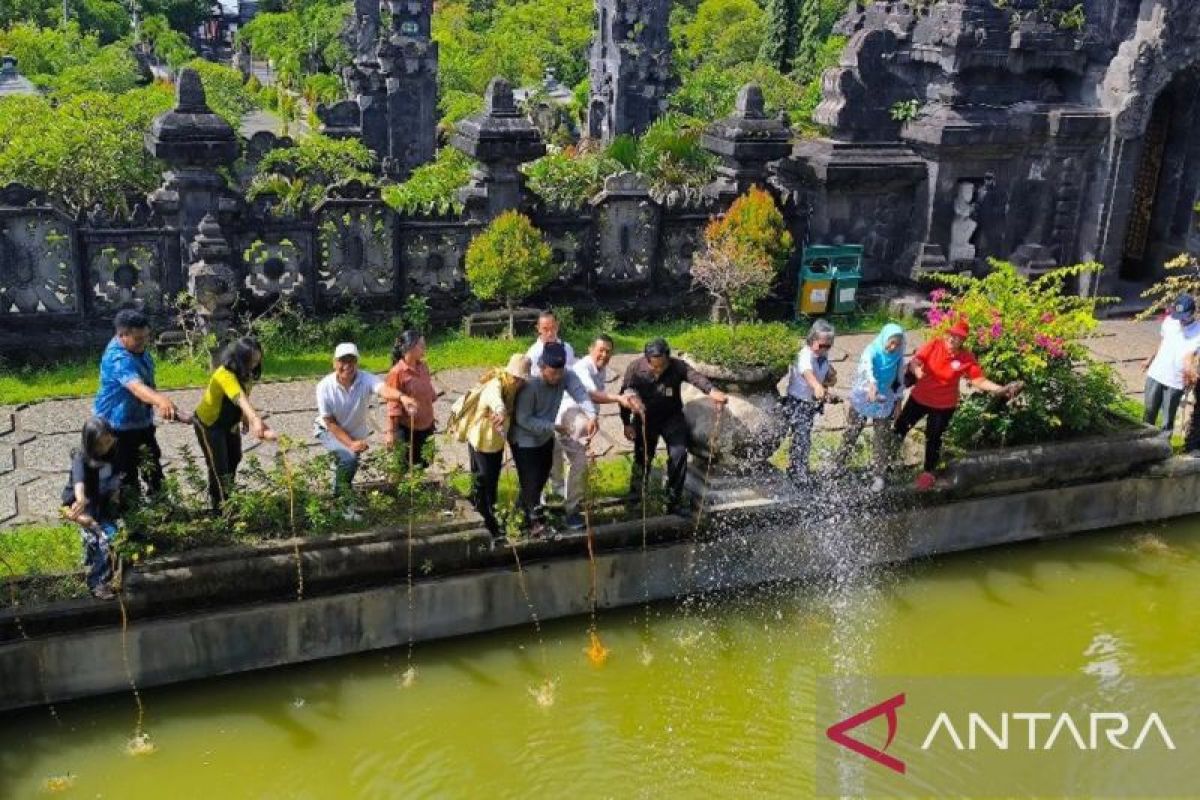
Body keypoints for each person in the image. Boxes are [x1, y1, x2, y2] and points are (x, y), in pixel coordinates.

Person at [895, 319, 1023, 490]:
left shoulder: (966, 357)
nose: (953, 339)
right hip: (919, 398)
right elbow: (916, 361)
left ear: (963, 341)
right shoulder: (934, 345)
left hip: (943, 405)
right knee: (900, 428)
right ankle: (887, 463)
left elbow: (978, 380)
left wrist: (1000, 389)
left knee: (934, 438)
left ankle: (928, 473)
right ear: (947, 334)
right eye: (952, 335)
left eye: (959, 337)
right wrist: (917, 371)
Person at [620, 338, 729, 516]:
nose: (658, 370)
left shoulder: (678, 366)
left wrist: (713, 391)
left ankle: (673, 502)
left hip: (672, 417)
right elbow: (624, 394)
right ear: (647, 360)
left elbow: (696, 378)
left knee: (679, 454)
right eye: (654, 366)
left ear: (668, 358)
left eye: (661, 366)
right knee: (643, 458)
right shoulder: (634, 368)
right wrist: (626, 423)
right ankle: (635, 501)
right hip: (645, 418)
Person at [93, 309, 181, 504]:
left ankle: (161, 508)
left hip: (140, 420)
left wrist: (163, 406)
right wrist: (160, 400)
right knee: (126, 476)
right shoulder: (118, 358)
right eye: (138, 338)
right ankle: (133, 523)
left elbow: (147, 385)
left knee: (152, 467)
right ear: (122, 335)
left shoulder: (139, 351)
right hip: (115, 426)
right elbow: (136, 387)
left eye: (146, 337)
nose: (144, 342)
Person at [510, 342, 598, 537]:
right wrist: (553, 427)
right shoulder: (530, 386)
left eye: (560, 373)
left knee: (540, 478)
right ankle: (534, 524)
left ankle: (517, 517)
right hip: (524, 439)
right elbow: (523, 419)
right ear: (542, 367)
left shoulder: (565, 376)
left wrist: (592, 415)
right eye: (552, 373)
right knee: (531, 480)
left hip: (545, 436)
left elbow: (580, 393)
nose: (557, 378)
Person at [313, 342, 410, 509]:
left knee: (348, 464)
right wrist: (350, 444)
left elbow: (383, 389)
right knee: (349, 458)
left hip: (355, 432)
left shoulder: (365, 378)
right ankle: (341, 504)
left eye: (351, 361)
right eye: (342, 361)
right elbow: (330, 422)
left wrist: (401, 397)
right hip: (329, 430)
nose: (347, 366)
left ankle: (342, 497)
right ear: (334, 363)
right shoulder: (324, 387)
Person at [557, 334, 639, 530]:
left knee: (576, 462)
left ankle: (568, 503)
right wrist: (618, 399)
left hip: (583, 418)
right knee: (577, 461)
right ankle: (570, 510)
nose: (604, 354)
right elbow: (590, 394)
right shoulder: (583, 367)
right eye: (600, 350)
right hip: (567, 418)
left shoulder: (599, 369)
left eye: (608, 351)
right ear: (590, 349)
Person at [447, 354, 530, 542]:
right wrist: (500, 412)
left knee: (481, 481)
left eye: (521, 379)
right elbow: (496, 401)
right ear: (510, 374)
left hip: (490, 441)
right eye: (517, 378)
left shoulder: (512, 386)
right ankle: (491, 526)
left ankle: (481, 517)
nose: (519, 382)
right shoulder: (496, 385)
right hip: (484, 442)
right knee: (487, 483)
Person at [193, 337, 277, 511]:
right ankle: (220, 508)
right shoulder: (224, 374)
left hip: (229, 424)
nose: (254, 365)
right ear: (239, 358)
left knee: (235, 457)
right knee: (219, 466)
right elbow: (237, 395)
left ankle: (228, 497)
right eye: (250, 361)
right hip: (209, 424)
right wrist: (255, 420)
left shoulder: (246, 374)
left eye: (257, 361)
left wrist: (245, 418)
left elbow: (245, 397)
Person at [834, 323, 906, 492]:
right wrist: (872, 384)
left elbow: (899, 381)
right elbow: (866, 366)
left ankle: (878, 474)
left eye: (897, 344)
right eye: (891, 342)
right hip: (865, 395)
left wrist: (898, 402)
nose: (893, 347)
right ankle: (837, 465)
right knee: (852, 431)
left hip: (884, 399)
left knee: (881, 438)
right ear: (884, 338)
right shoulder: (872, 350)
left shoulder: (898, 356)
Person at [61, 417, 122, 600]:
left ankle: (111, 573)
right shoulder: (81, 458)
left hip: (104, 507)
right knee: (105, 540)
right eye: (100, 444)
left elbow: (117, 479)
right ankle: (97, 583)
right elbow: (79, 482)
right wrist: (80, 499)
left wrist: (117, 493)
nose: (105, 447)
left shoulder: (114, 455)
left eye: (109, 441)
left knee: (115, 538)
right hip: (84, 510)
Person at [525, 310, 576, 504]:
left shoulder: (567, 349)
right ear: (538, 329)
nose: (549, 332)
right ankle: (543, 489)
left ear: (557, 326)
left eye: (552, 328)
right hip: (542, 407)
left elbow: (571, 377)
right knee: (546, 448)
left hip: (564, 403)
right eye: (545, 329)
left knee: (565, 444)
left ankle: (560, 487)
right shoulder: (533, 354)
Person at [783, 320, 838, 485]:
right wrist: (816, 386)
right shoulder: (805, 354)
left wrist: (827, 385)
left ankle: (797, 469)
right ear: (812, 340)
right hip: (797, 402)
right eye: (822, 345)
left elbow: (825, 375)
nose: (825, 349)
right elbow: (807, 372)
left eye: (829, 346)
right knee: (802, 437)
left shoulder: (822, 356)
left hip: (810, 403)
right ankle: (798, 472)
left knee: (804, 436)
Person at [1142, 293, 1200, 434]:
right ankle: (1144, 442)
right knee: (1148, 412)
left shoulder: (1198, 331)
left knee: (1167, 419)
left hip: (1175, 380)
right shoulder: (1169, 321)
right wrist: (1150, 359)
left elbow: (1195, 357)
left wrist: (1192, 374)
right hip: (1156, 373)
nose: (1180, 321)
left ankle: (1164, 448)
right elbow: (1163, 342)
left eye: (1184, 317)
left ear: (1193, 312)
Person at [384, 330, 436, 468]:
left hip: (426, 426)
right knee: (405, 467)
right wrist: (391, 433)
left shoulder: (423, 367)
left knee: (422, 465)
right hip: (408, 429)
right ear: (410, 347)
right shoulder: (397, 372)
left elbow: (428, 390)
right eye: (421, 345)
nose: (424, 348)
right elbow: (392, 404)